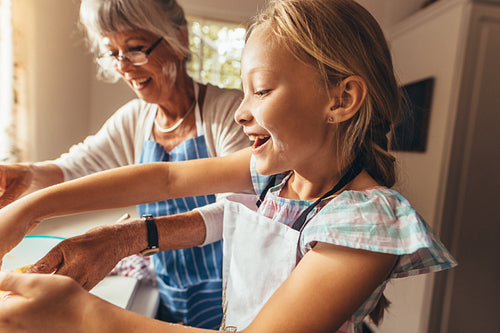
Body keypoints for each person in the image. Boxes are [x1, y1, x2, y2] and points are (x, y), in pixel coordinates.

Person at [0, 0, 457, 332]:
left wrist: (82, 315)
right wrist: (28, 209)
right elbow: (167, 178)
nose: (241, 112)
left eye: (260, 91)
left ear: (341, 99)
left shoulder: (367, 222)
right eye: (243, 92)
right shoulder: (281, 172)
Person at [0, 0, 250, 329]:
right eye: (112, 53)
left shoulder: (229, 113)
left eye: (135, 49)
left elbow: (233, 213)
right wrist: (27, 175)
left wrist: (126, 237)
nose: (124, 66)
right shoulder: (135, 120)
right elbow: (75, 167)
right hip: (171, 288)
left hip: (231, 288)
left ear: (179, 39)